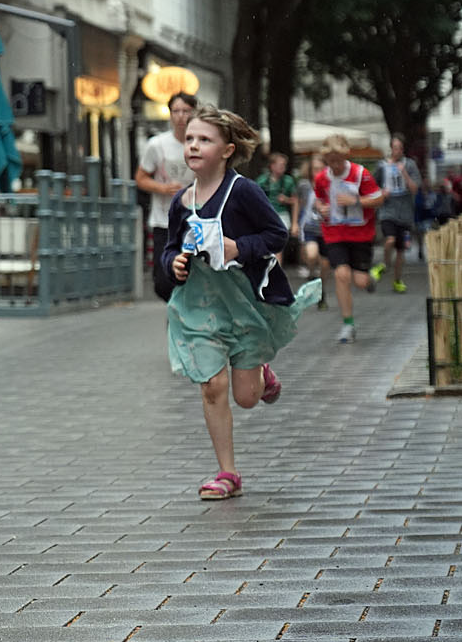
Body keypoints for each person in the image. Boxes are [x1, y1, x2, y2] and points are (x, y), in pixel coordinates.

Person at [161, 107, 320, 501]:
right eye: (190, 139)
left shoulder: (243, 191)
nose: (194, 145)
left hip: (244, 301)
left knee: (245, 398)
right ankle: (227, 473)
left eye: (205, 140)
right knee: (212, 385)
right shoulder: (182, 201)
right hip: (199, 305)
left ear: (227, 150)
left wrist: (239, 247)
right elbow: (168, 249)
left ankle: (261, 373)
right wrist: (174, 262)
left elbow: (276, 235)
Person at [312, 134, 384, 343]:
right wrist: (321, 209)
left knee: (360, 282)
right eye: (330, 161)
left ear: (346, 155)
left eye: (338, 160)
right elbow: (318, 200)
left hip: (361, 233)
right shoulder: (321, 178)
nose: (334, 165)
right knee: (341, 274)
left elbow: (378, 198)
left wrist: (355, 201)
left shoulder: (361, 174)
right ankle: (348, 325)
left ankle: (372, 278)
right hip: (334, 233)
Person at [136, 92, 198, 301]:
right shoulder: (157, 145)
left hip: (195, 221)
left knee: (191, 275)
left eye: (186, 111)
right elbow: (141, 178)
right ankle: (179, 307)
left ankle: (184, 312)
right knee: (163, 281)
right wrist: (163, 188)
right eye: (176, 111)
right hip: (164, 221)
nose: (181, 116)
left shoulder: (201, 143)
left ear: (194, 113)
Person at [371, 134, 420, 293]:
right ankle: (384, 265)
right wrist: (381, 192)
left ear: (403, 149)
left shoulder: (410, 165)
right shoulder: (382, 165)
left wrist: (404, 173)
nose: (397, 151)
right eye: (395, 148)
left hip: (405, 213)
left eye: (400, 148)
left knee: (401, 250)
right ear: (391, 148)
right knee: (390, 240)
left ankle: (397, 281)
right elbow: (371, 186)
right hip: (388, 210)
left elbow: (415, 189)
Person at [295, 159, 329, 310]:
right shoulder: (304, 185)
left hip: (326, 229)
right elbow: (298, 203)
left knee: (325, 264)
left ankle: (322, 292)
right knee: (311, 255)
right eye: (315, 169)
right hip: (310, 228)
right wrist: (295, 223)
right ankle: (311, 273)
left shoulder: (329, 184)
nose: (318, 172)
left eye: (321, 169)